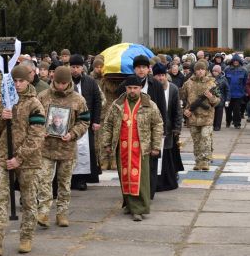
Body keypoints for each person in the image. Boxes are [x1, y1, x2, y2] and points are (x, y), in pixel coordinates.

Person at [0, 65, 45, 256]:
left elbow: (36, 137)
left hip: (28, 160)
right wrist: (1, 117)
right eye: (14, 81)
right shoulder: (2, 101)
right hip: (3, 156)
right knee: (0, 197)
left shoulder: (35, 104)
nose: (17, 85)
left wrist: (19, 158)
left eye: (21, 81)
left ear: (28, 81)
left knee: (29, 200)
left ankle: (26, 236)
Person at [102, 76, 163, 221]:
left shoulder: (149, 104)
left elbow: (158, 125)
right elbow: (108, 124)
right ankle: (129, 204)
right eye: (130, 88)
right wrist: (107, 144)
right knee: (125, 178)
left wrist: (156, 146)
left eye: (135, 88)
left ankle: (139, 208)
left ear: (140, 88)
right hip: (122, 147)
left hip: (141, 148)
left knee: (140, 179)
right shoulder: (117, 104)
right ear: (126, 88)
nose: (132, 91)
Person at [36, 66, 90, 228]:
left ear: (69, 82)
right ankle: (43, 212)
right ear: (53, 80)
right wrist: (41, 130)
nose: (60, 86)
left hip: (67, 148)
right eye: (58, 83)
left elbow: (84, 120)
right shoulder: (43, 97)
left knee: (64, 183)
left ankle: (62, 213)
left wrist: (73, 133)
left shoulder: (78, 100)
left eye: (64, 83)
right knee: (44, 181)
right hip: (46, 147)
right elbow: (34, 117)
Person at [117, 55, 167, 198]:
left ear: (148, 69)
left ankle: (148, 194)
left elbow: (162, 108)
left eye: (144, 67)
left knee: (150, 164)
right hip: (130, 131)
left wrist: (164, 130)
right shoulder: (126, 85)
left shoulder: (155, 85)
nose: (141, 70)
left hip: (150, 131)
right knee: (130, 163)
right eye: (138, 67)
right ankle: (131, 194)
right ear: (134, 69)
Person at [69, 54, 103, 190]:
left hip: (86, 122)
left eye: (77, 67)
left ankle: (82, 179)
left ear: (82, 67)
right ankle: (70, 179)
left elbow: (97, 101)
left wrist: (96, 120)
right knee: (71, 151)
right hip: (69, 123)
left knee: (84, 151)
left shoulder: (90, 82)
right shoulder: (65, 82)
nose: (75, 70)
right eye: (73, 67)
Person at [181, 60, 220, 171]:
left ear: (206, 70)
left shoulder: (212, 83)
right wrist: (185, 110)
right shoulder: (188, 83)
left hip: (207, 117)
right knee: (196, 140)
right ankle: (198, 161)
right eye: (198, 69)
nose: (200, 71)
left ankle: (205, 161)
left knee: (205, 137)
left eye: (202, 69)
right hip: (193, 117)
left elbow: (217, 101)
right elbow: (182, 98)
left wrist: (210, 97)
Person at [152, 63, 183, 191]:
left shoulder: (173, 89)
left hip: (169, 129)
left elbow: (177, 111)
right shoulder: (151, 89)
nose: (160, 78)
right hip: (154, 129)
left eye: (163, 75)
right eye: (158, 76)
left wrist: (177, 128)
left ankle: (168, 181)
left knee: (168, 156)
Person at [225, 54, 248, 129]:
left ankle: (237, 123)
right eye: (234, 61)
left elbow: (245, 82)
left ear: (239, 61)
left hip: (239, 93)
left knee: (237, 110)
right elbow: (224, 81)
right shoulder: (227, 69)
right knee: (228, 109)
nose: (235, 62)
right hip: (228, 93)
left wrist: (244, 91)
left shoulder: (244, 70)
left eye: (237, 61)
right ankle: (228, 121)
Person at [211, 64, 229, 131]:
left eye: (216, 71)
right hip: (212, 98)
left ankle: (217, 126)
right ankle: (212, 125)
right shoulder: (210, 78)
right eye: (213, 71)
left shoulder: (223, 79)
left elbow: (227, 90)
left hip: (220, 98)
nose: (214, 72)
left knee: (219, 113)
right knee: (212, 112)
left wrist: (227, 99)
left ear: (219, 72)